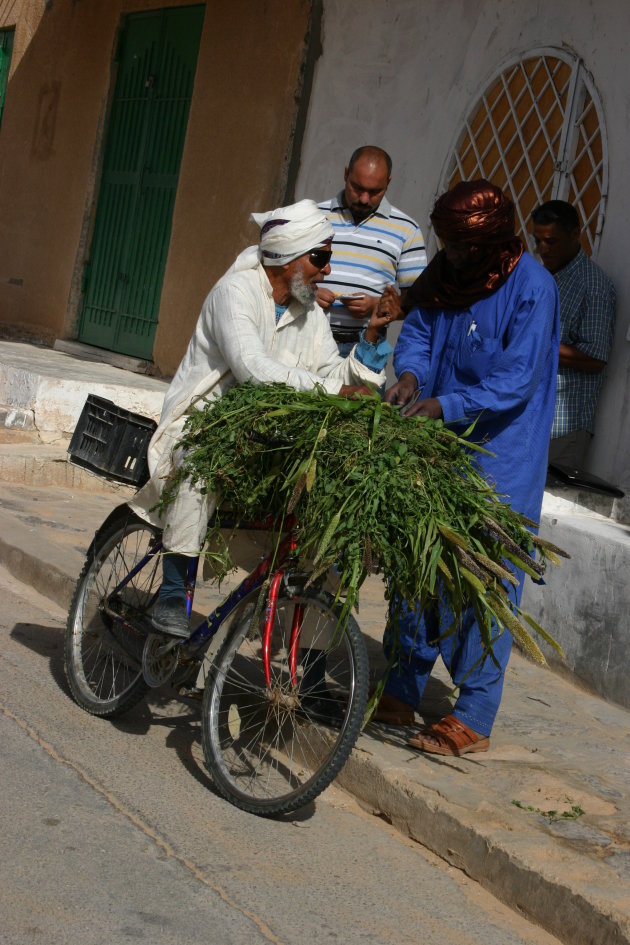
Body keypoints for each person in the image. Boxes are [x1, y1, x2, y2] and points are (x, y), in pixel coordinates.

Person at [130, 199, 393, 638]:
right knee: (201, 464)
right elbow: (252, 369)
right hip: (204, 427)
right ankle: (175, 590)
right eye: (321, 258)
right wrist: (334, 391)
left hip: (271, 440)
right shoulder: (233, 295)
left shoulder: (310, 314)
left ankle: (306, 665)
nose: (327, 271)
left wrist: (371, 337)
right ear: (289, 255)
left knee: (325, 522)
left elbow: (333, 373)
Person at [374, 179, 560, 755]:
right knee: (416, 566)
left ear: (492, 241)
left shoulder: (534, 288)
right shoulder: (446, 275)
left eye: (461, 248)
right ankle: (402, 686)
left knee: (482, 582)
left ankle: (474, 714)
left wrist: (446, 405)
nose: (450, 256)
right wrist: (410, 376)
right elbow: (421, 336)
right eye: (446, 245)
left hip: (498, 461)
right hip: (436, 451)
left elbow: (516, 379)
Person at [317, 146, 427, 356]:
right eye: (357, 188)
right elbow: (283, 275)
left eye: (375, 192)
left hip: (365, 346)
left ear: (388, 182)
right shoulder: (314, 215)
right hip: (306, 341)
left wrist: (377, 304)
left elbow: (417, 301)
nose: (364, 199)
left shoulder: (407, 229)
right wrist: (308, 295)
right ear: (345, 174)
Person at [532, 200, 616, 470]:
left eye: (552, 241)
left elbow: (595, 359)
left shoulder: (594, 285)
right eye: (538, 241)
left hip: (563, 429)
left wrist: (536, 344)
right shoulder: (543, 278)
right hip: (529, 417)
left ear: (574, 235)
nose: (543, 249)